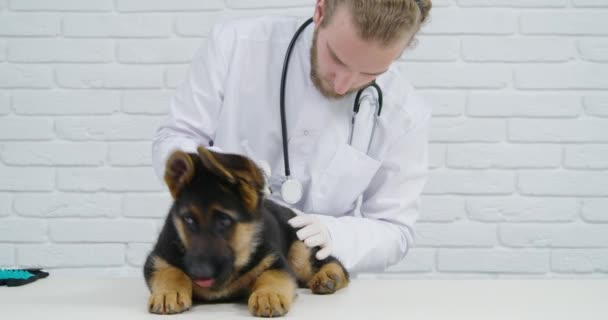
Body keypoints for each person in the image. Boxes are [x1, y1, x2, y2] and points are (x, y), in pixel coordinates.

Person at [152, 0, 433, 273]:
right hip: (215, 272)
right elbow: (177, 136)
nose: (343, 84)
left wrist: (334, 234)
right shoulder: (235, 43)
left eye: (370, 73)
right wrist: (220, 170)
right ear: (320, 11)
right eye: (336, 58)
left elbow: (395, 230)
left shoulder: (406, 114)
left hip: (319, 283)